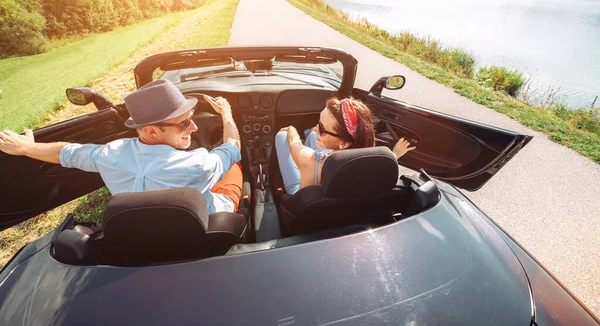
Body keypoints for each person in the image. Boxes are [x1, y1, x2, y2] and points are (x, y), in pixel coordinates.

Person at [0, 79, 243, 214]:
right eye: (184, 123)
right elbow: (233, 145)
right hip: (209, 220)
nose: (194, 128)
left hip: (145, 232)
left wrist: (25, 148)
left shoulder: (110, 154)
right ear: (151, 131)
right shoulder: (200, 164)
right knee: (233, 166)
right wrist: (227, 114)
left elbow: (67, 153)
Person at [275, 96, 415, 195]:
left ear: (344, 144)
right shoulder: (377, 164)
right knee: (313, 135)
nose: (317, 128)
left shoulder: (311, 161)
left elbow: (293, 143)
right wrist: (395, 154)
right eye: (319, 123)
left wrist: (291, 128)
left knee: (283, 136)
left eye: (322, 128)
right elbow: (386, 160)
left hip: (303, 198)